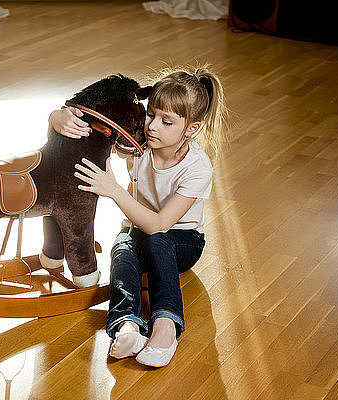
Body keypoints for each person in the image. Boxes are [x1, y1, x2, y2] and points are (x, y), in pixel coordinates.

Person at [48, 66, 228, 367]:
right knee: (123, 249)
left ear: (192, 129)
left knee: (158, 242)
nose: (152, 126)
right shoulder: (138, 146)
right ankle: (127, 325)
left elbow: (159, 225)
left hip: (182, 240)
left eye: (166, 121)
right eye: (151, 114)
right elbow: (96, 114)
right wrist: (57, 116)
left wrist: (113, 190)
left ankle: (166, 326)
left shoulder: (198, 167)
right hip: (137, 230)